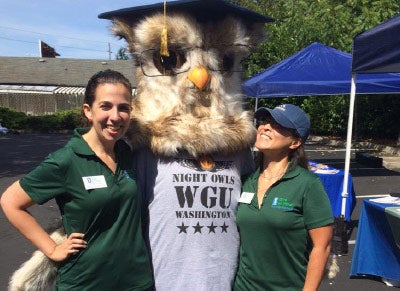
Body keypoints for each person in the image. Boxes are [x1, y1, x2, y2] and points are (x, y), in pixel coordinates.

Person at [0, 70, 154, 290]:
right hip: (85, 283)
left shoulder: (128, 154)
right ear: (88, 111)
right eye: (106, 106)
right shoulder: (66, 161)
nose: (115, 116)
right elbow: (11, 202)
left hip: (135, 282)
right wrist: (52, 248)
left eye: (123, 108)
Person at [234, 104, 333, 291]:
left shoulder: (307, 184)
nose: (265, 127)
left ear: (295, 142)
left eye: (277, 124)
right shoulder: (245, 180)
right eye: (264, 121)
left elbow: (322, 247)